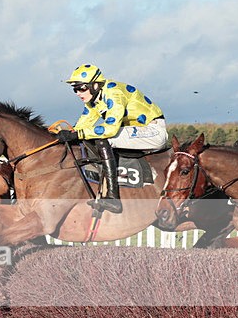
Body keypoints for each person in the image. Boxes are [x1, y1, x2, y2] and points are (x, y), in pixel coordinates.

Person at [56, 64, 168, 214]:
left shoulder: (114, 93)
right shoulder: (93, 101)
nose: (77, 93)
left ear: (95, 85)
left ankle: (113, 198)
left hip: (153, 131)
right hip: (132, 131)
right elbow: (81, 126)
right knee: (87, 138)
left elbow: (110, 128)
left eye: (81, 88)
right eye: (74, 89)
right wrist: (64, 135)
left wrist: (77, 134)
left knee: (104, 139)